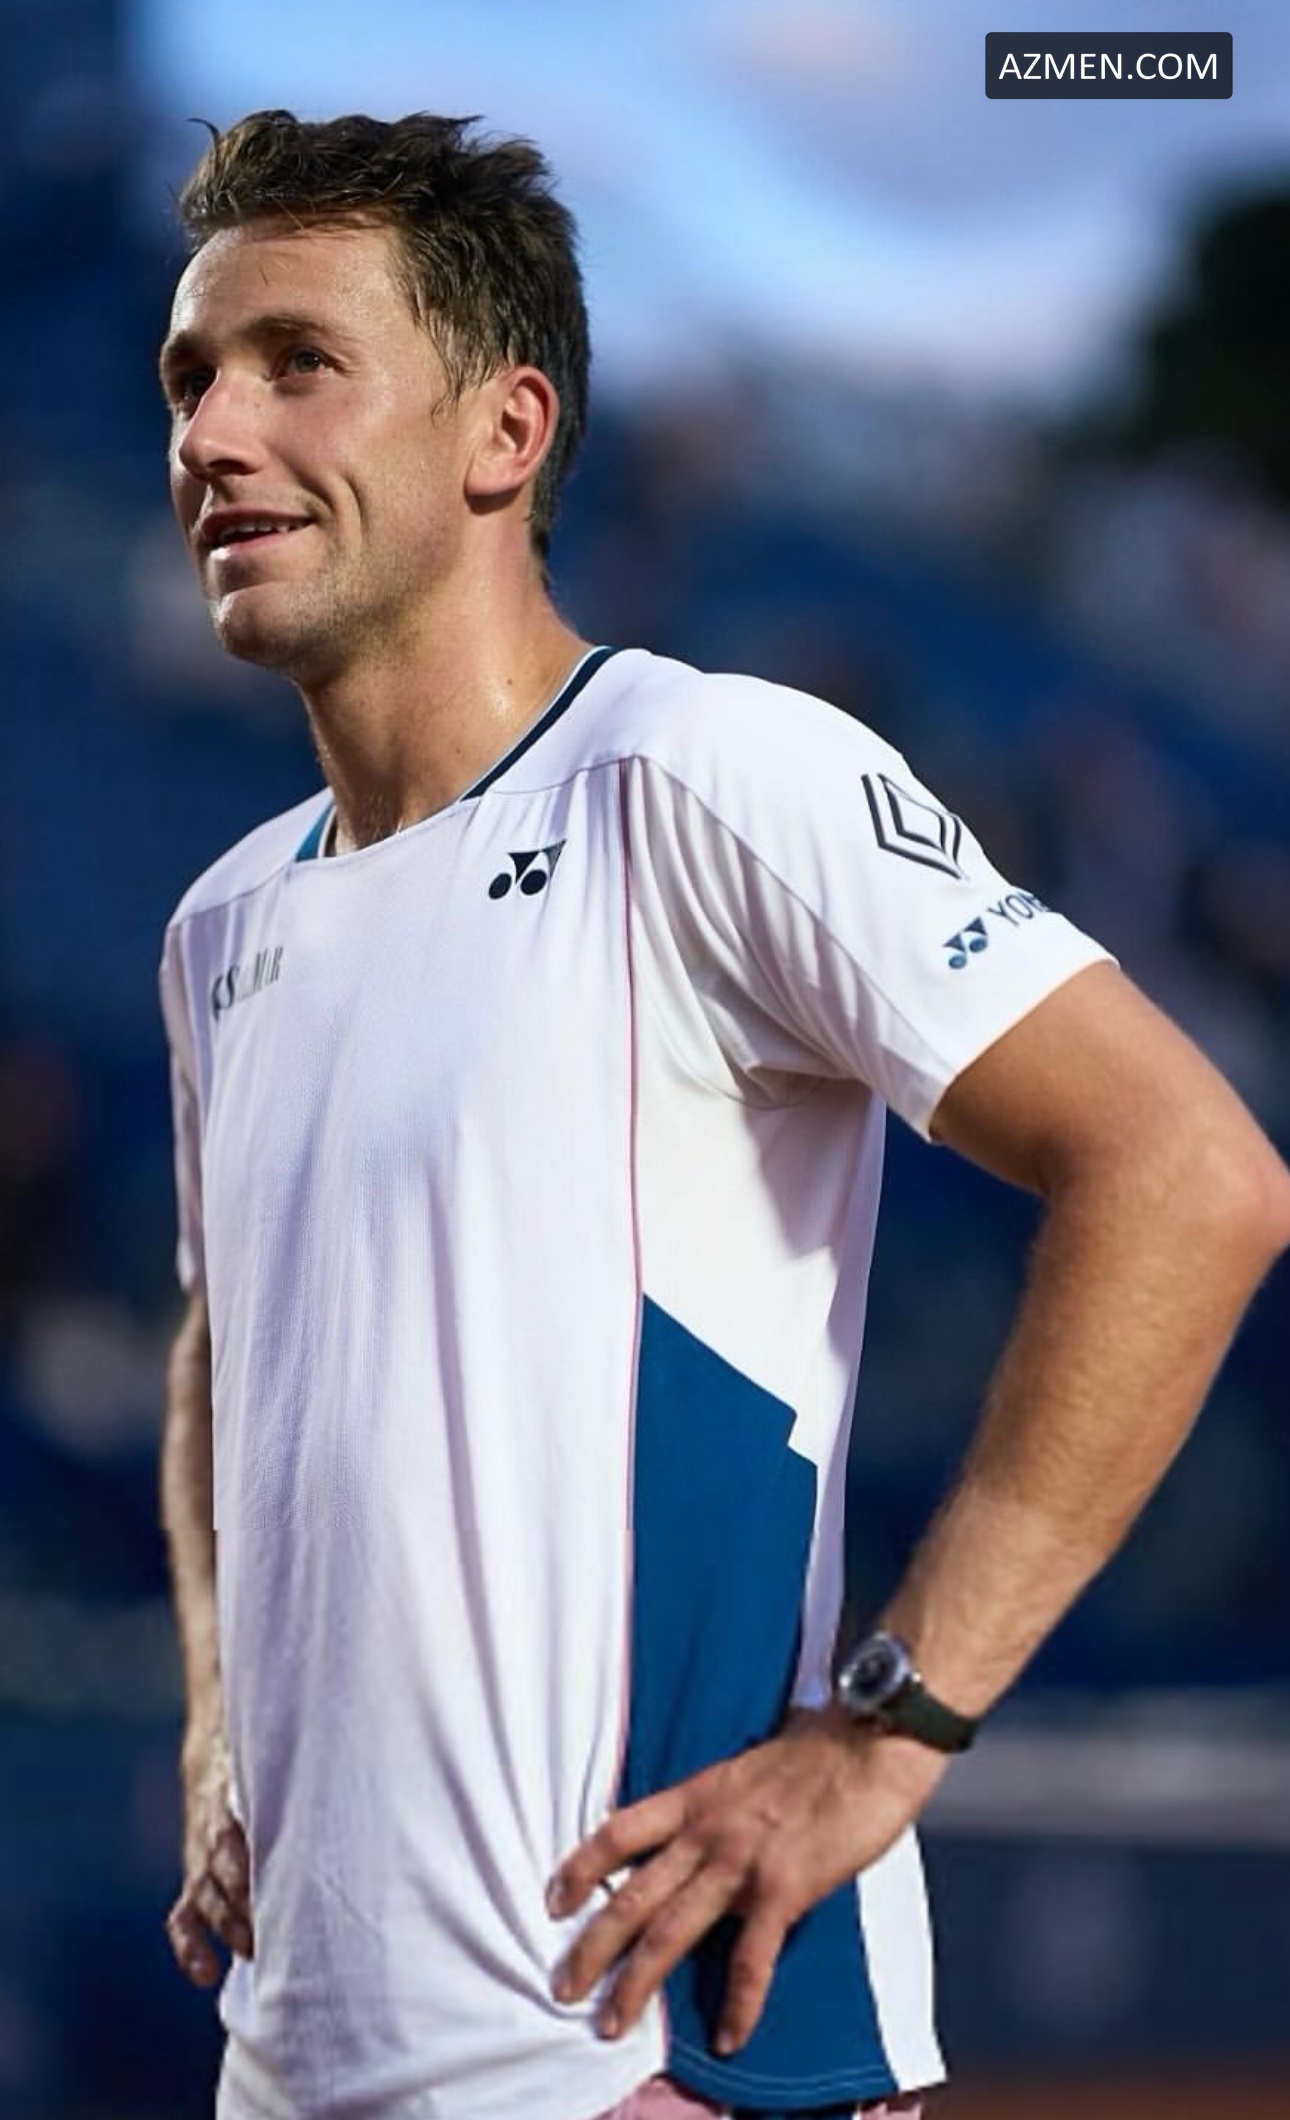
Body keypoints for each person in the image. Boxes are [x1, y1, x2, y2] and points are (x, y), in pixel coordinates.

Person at [156, 110, 1290, 2120]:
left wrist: (890, 1728)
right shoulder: (218, 924)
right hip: (292, 2067)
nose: (212, 433)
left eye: (297, 363)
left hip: (652, 2055)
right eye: (190, 377)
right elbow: (217, 1349)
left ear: (504, 433)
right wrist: (217, 1724)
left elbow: (1191, 1173)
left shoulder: (700, 772)